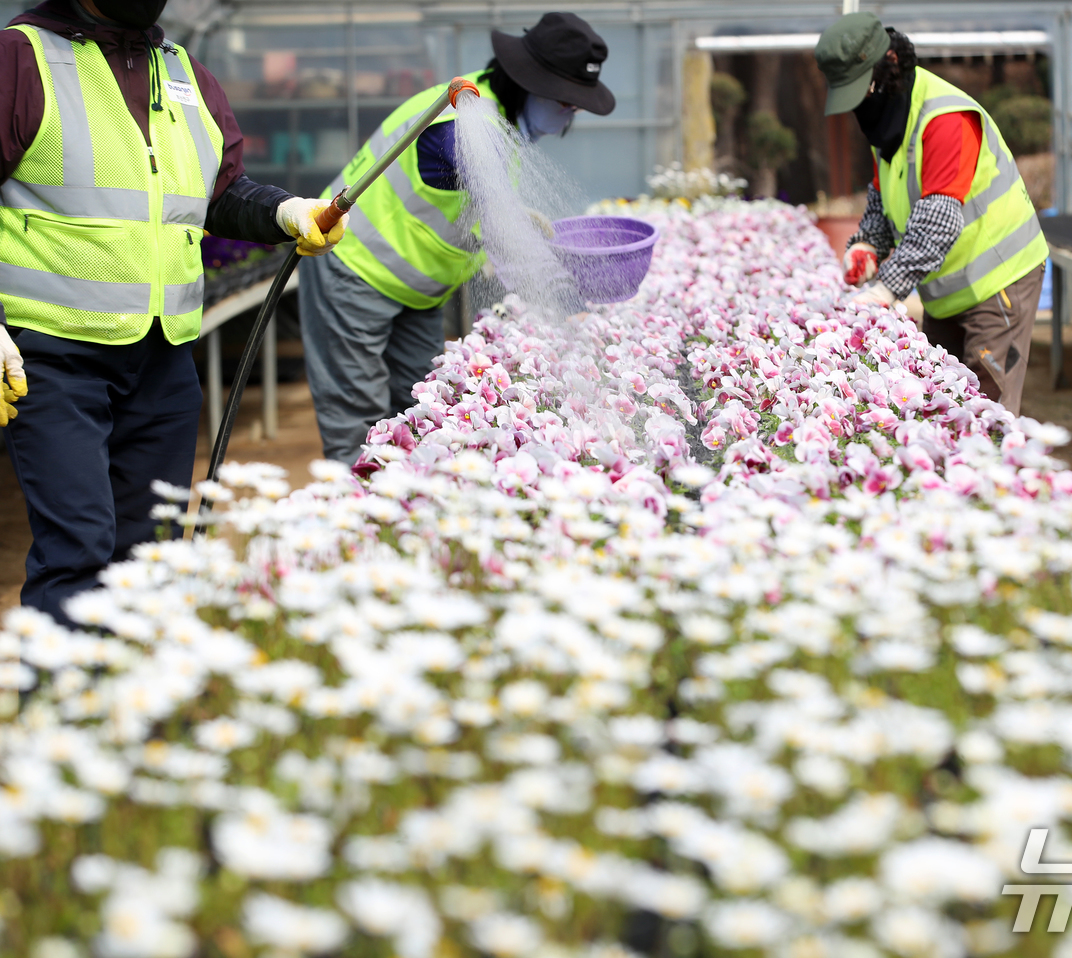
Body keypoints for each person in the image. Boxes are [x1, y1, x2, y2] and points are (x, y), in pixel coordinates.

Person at [0, 0, 346, 625]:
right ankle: (70, 709)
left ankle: (135, 702)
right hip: (52, 357)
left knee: (152, 552)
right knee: (79, 546)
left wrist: (282, 211)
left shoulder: (187, 74)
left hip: (163, 361)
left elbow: (220, 195)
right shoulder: (21, 61)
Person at [299, 12, 615, 466]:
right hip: (354, 273)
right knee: (359, 428)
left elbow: (473, 198)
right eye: (566, 102)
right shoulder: (465, 121)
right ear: (531, 84)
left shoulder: (497, 115)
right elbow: (495, 210)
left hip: (421, 290)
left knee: (423, 414)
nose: (571, 112)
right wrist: (564, 298)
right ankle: (359, 522)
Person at [816, 13, 1048, 415]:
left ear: (888, 65)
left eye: (861, 90)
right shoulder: (888, 121)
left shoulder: (944, 119)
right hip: (946, 290)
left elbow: (938, 221)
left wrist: (885, 289)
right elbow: (883, 195)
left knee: (983, 414)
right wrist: (868, 243)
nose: (860, 106)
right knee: (940, 402)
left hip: (998, 283)